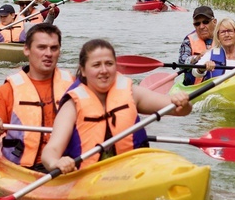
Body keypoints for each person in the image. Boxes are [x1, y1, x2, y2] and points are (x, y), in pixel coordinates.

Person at [41, 39, 192, 174]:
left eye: (109, 64)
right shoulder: (72, 105)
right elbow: (51, 150)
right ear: (84, 70)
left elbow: (180, 111)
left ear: (116, 66)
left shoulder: (132, 93)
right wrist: (56, 162)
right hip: (90, 177)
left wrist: (182, 102)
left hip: (134, 171)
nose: (104, 70)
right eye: (96, 65)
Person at [0, 23, 75, 172]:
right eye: (41, 47)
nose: (48, 53)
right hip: (25, 170)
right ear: (26, 50)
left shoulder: (74, 85)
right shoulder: (6, 92)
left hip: (69, 165)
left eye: (54, 48)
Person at [178, 5, 217, 85]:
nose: (201, 27)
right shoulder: (188, 40)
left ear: (214, 22)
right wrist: (197, 58)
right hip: (194, 87)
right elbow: (181, 63)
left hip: (219, 83)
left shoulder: (225, 36)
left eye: (205, 22)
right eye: (197, 24)